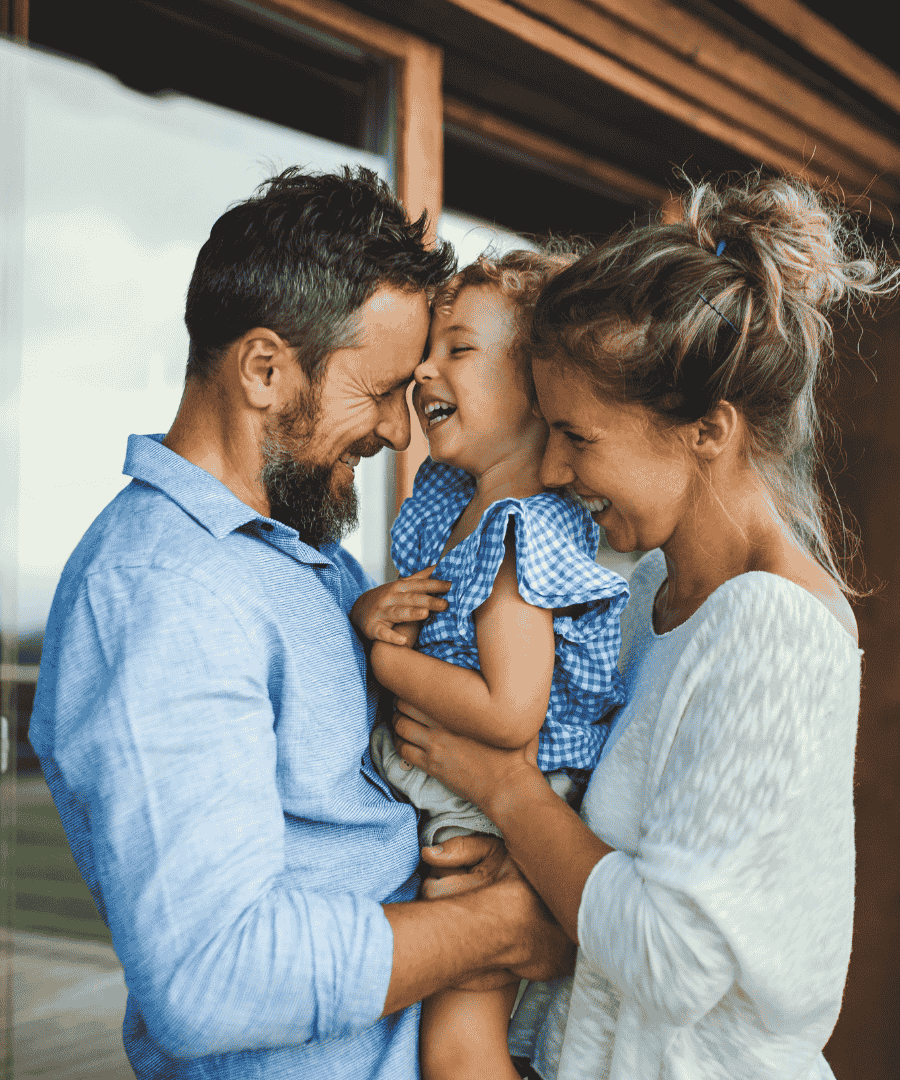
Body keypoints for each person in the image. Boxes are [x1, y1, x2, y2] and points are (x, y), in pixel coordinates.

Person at [28, 166, 574, 1080]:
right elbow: (212, 974)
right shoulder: (165, 592)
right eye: (380, 390)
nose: (401, 433)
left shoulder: (301, 561)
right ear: (266, 370)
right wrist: (500, 928)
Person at [392, 174, 898, 1080]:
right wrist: (534, 922)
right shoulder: (645, 590)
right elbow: (599, 900)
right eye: (545, 431)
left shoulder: (773, 632)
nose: (549, 470)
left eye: (577, 438)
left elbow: (675, 959)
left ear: (708, 429)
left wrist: (507, 792)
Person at [348, 252, 630, 1080]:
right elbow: (418, 610)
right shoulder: (447, 498)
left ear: (537, 390)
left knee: (457, 1046)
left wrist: (382, 664)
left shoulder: (520, 531)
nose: (424, 368)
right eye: (429, 349)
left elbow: (511, 712)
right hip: (450, 789)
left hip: (488, 812)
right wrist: (375, 611)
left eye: (458, 349)